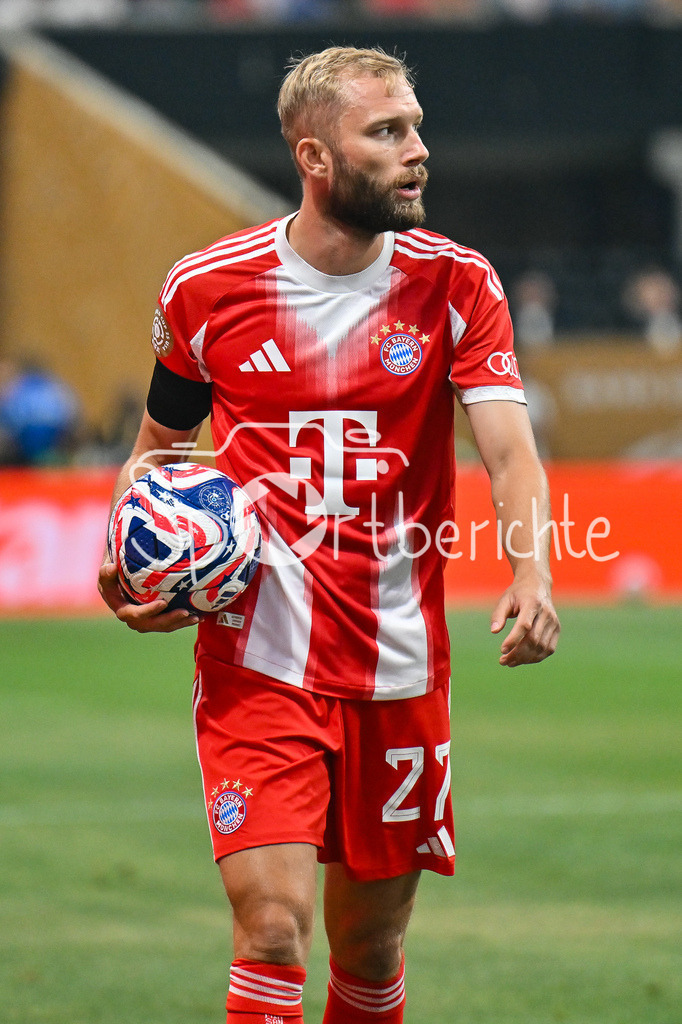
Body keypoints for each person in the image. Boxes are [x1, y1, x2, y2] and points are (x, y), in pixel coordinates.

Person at [98, 46, 560, 1024]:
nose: (417, 151)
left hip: (397, 665)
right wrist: (126, 553)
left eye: (416, 127)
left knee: (370, 948)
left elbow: (509, 453)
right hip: (256, 662)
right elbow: (159, 451)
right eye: (387, 132)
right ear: (315, 156)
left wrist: (532, 572)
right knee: (270, 928)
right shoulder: (205, 289)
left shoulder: (456, 286)